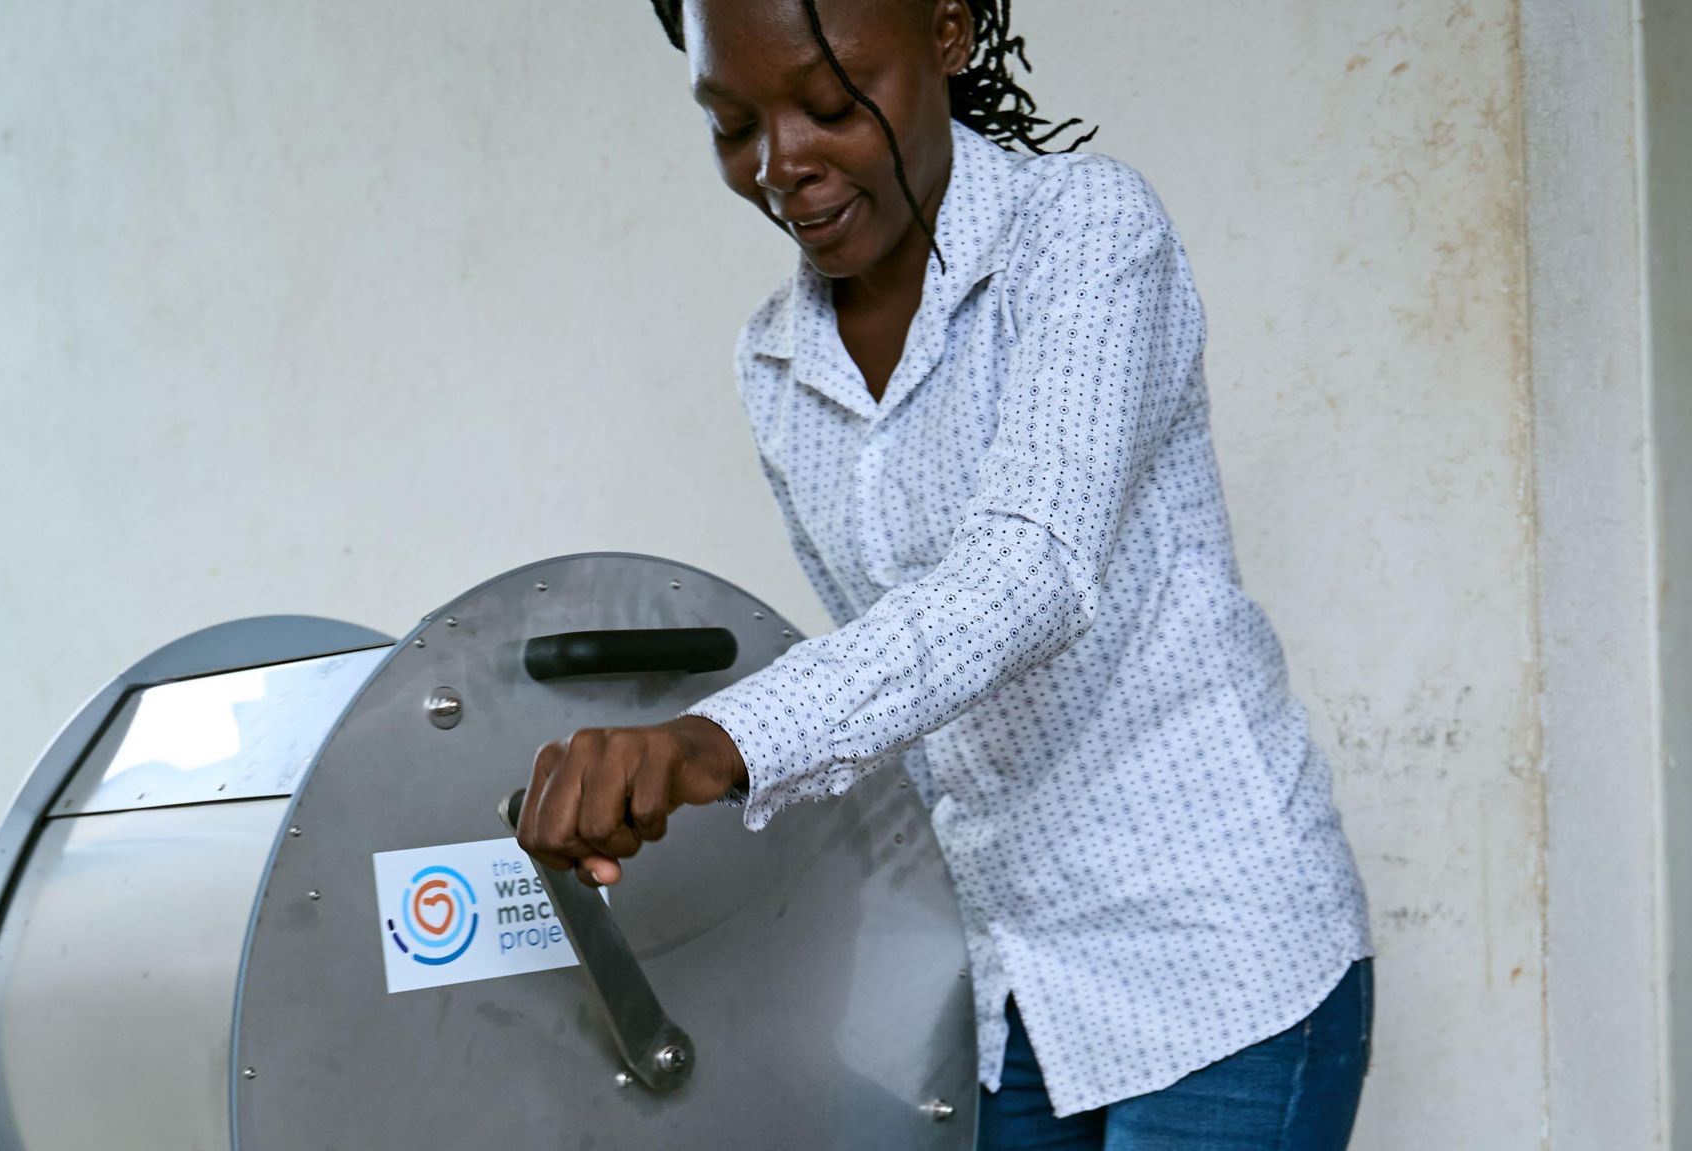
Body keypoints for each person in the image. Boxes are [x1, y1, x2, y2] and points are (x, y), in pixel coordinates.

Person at [514, 1, 1375, 1146]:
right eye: (732, 123)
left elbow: (1030, 570)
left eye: (828, 103)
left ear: (948, 32)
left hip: (1216, 957)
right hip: (1013, 979)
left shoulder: (1083, 234)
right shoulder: (775, 362)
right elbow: (904, 686)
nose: (781, 165)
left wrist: (707, 743)